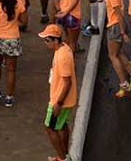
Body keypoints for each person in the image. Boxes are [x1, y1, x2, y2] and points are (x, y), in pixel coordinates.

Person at [40, 24, 78, 160]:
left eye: (47, 40)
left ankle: (63, 158)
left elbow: (67, 82)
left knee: (50, 128)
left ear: (55, 40)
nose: (45, 43)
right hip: (64, 99)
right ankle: (64, 154)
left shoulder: (62, 56)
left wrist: (58, 103)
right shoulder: (63, 49)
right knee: (62, 125)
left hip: (59, 99)